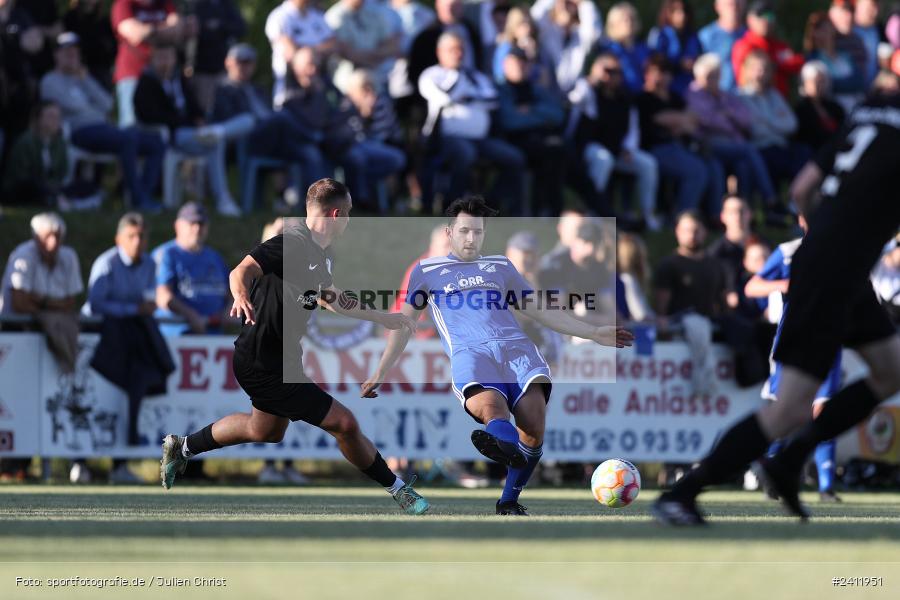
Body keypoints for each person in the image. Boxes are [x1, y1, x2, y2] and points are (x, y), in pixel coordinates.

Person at [652, 86, 900, 525]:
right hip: (836, 270)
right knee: (789, 408)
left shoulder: (870, 111)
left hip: (831, 260)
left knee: (892, 370)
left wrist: (832, 232)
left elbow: (802, 189)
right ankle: (683, 493)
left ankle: (789, 462)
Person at [160, 178, 431, 516]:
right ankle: (399, 490)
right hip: (262, 360)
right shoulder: (292, 242)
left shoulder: (321, 255)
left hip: (281, 359)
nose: (349, 220)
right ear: (336, 215)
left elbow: (332, 298)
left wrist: (382, 318)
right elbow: (241, 271)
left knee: (264, 429)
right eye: (348, 213)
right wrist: (241, 295)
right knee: (345, 424)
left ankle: (182, 447)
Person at [362, 195, 633, 515]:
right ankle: (504, 445)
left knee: (534, 427)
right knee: (494, 411)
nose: (471, 238)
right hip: (471, 354)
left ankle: (508, 499)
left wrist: (593, 332)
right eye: (464, 231)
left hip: (518, 351)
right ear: (449, 232)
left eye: (477, 231)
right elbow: (403, 325)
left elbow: (540, 310)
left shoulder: (501, 266)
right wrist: (381, 371)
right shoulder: (426, 270)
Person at [744, 213, 843, 503]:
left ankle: (826, 486)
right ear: (802, 220)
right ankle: (770, 473)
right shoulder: (788, 252)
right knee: (786, 411)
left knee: (824, 412)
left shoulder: (844, 249)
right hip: (792, 341)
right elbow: (752, 287)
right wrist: (785, 284)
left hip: (829, 340)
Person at [84, 212, 174, 483]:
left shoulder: (149, 264)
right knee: (93, 400)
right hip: (99, 338)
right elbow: (96, 304)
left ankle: (120, 464)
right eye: (131, 236)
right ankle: (80, 463)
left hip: (130, 338)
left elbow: (146, 299)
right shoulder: (107, 264)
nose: (137, 241)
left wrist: (144, 308)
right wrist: (132, 309)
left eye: (141, 236)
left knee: (128, 393)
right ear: (118, 239)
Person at [0, 211, 83, 482]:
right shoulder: (22, 256)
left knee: (44, 401)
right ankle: (11, 465)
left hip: (47, 335)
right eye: (48, 236)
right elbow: (19, 302)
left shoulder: (68, 257)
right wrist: (50, 304)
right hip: (15, 335)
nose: (53, 242)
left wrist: (40, 303)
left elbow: (70, 302)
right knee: (16, 401)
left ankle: (25, 466)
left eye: (57, 236)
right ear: (36, 238)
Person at [40, 31, 165, 211]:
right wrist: (90, 105)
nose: (71, 56)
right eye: (66, 52)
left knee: (156, 143)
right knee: (129, 138)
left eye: (75, 52)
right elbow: (74, 106)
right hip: (79, 131)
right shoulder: (50, 81)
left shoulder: (83, 77)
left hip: (104, 128)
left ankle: (144, 195)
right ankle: (138, 199)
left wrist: (84, 80)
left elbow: (107, 104)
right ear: (56, 55)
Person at [281, 48, 405, 209]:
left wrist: (361, 111)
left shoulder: (326, 84)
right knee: (352, 159)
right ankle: (347, 201)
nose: (313, 69)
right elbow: (317, 122)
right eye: (308, 65)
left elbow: (344, 111)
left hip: (345, 141)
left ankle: (362, 193)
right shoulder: (291, 92)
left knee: (396, 158)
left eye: (316, 64)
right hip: (318, 145)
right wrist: (321, 97)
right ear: (295, 67)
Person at [417, 32, 526, 214]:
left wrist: (466, 96)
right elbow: (444, 97)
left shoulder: (476, 76)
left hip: (480, 139)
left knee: (514, 158)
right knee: (465, 154)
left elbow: (492, 99)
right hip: (446, 138)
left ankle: (491, 203)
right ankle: (452, 207)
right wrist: (460, 84)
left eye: (460, 49)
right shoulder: (432, 75)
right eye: (452, 49)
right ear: (439, 52)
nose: (458, 54)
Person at [134, 41, 240, 216]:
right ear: (152, 59)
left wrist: (199, 118)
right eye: (160, 57)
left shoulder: (179, 79)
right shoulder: (146, 82)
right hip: (170, 135)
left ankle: (222, 196)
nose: (165, 62)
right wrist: (184, 122)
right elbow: (150, 115)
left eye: (168, 57)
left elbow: (193, 106)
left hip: (191, 132)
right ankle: (222, 198)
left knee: (222, 138)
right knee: (215, 142)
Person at [209, 43, 328, 192]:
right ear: (229, 62)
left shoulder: (258, 90)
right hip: (247, 139)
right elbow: (226, 120)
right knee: (283, 116)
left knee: (310, 152)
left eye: (249, 62)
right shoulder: (224, 89)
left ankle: (321, 201)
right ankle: (312, 136)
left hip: (272, 139)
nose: (245, 66)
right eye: (241, 61)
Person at [570, 52, 660, 229]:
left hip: (618, 150)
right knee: (604, 160)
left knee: (648, 164)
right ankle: (592, 212)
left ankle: (648, 215)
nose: (610, 76)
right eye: (606, 71)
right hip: (589, 147)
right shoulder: (588, 90)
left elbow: (633, 129)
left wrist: (628, 148)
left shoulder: (625, 97)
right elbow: (574, 102)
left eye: (615, 72)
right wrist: (591, 80)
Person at [687, 53, 781, 220]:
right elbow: (708, 120)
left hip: (730, 145)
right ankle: (770, 199)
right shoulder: (693, 94)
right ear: (698, 76)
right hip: (707, 144)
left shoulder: (724, 95)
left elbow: (746, 119)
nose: (713, 80)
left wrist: (727, 116)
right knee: (749, 150)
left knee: (743, 165)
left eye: (716, 76)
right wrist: (728, 119)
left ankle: (744, 214)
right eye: (709, 76)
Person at [636, 54, 714, 216]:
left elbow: (693, 120)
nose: (661, 77)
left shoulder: (675, 97)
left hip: (679, 146)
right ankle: (683, 216)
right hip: (654, 149)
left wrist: (676, 122)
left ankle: (711, 214)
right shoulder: (642, 99)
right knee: (696, 171)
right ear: (646, 74)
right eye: (656, 72)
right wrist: (679, 121)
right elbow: (661, 119)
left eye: (665, 72)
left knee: (713, 166)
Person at [496, 49, 566, 216]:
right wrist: (541, 117)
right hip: (512, 140)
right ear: (505, 65)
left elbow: (558, 115)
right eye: (515, 63)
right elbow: (510, 121)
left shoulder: (537, 89)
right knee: (548, 152)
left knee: (560, 150)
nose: (520, 67)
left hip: (541, 139)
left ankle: (551, 210)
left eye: (523, 63)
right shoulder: (500, 90)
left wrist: (531, 109)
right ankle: (538, 210)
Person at [110, 0, 195, 127]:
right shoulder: (124, 4)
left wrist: (150, 31)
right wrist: (165, 29)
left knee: (165, 123)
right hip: (133, 75)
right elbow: (134, 33)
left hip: (164, 76)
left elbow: (178, 30)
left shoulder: (163, 3)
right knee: (132, 125)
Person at [152, 202, 230, 337]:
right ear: (178, 226)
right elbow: (162, 297)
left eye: (201, 223)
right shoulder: (166, 255)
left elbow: (231, 293)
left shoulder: (215, 257)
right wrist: (190, 315)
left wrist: (228, 311)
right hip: (177, 337)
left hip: (213, 337)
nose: (197, 228)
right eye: (192, 223)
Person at [737, 50, 803, 187]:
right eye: (757, 69)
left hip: (782, 146)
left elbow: (792, 125)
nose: (761, 73)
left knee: (804, 153)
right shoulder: (741, 98)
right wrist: (777, 122)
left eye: (765, 69)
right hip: (760, 149)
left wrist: (767, 121)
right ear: (747, 70)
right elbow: (755, 131)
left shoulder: (774, 95)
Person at [264, 0, 334, 105]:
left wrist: (307, 51)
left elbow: (334, 44)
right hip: (291, 86)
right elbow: (290, 52)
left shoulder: (317, 16)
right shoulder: (279, 16)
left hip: (321, 82)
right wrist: (315, 52)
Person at [325, 0, 402, 94]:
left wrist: (373, 56)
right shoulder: (335, 16)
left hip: (381, 72)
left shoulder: (375, 11)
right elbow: (348, 53)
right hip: (350, 77)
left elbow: (392, 45)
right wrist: (375, 56)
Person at [731, 1, 804, 97]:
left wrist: (777, 65)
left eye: (770, 16)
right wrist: (777, 65)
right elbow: (744, 81)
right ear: (750, 19)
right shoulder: (744, 46)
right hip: (754, 100)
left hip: (779, 101)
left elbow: (798, 63)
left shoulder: (779, 45)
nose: (766, 20)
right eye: (760, 15)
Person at [186, 0, 247, 114]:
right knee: (205, 111)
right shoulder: (197, 5)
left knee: (227, 110)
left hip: (224, 70)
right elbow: (193, 32)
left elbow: (241, 28)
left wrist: (219, 26)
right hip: (202, 72)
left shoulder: (226, 4)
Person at [2, 101, 68, 206]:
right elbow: (21, 175)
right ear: (39, 119)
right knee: (34, 186)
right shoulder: (26, 141)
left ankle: (55, 198)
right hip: (23, 189)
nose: (55, 121)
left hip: (50, 187)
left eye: (58, 117)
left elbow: (61, 172)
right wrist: (46, 186)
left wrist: (53, 185)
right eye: (51, 116)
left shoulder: (60, 144)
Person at [531, 0, 602, 95]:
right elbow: (535, 17)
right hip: (546, 94)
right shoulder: (547, 31)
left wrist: (584, 3)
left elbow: (594, 33)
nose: (565, 6)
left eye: (569, 3)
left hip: (574, 97)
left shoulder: (580, 34)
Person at [804, 12, 866, 112]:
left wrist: (831, 83)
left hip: (856, 109)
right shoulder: (813, 59)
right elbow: (818, 87)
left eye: (827, 27)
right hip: (832, 111)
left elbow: (859, 81)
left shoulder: (846, 55)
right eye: (820, 29)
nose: (825, 32)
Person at [647, 0, 702, 96]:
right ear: (668, 13)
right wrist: (679, 64)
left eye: (684, 11)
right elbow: (656, 61)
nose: (682, 15)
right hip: (667, 87)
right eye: (677, 11)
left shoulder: (693, 35)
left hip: (690, 86)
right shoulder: (660, 34)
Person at [793, 61, 846, 156]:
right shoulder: (801, 110)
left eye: (821, 81)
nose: (818, 85)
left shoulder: (835, 107)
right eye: (814, 81)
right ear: (805, 83)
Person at [63, 0, 116, 90]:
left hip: (102, 71)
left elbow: (112, 47)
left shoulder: (104, 20)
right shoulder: (70, 18)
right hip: (77, 70)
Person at [600, 2, 650, 94]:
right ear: (613, 24)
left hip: (644, 97)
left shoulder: (644, 49)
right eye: (624, 20)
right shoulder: (608, 50)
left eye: (631, 19)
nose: (629, 23)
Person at [697, 0, 747, 92]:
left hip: (746, 96)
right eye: (729, 4)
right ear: (717, 6)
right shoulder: (706, 37)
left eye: (737, 3)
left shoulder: (751, 36)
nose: (734, 7)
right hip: (717, 96)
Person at [854, 0, 882, 87]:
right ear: (858, 6)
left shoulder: (878, 30)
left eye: (876, 7)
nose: (875, 12)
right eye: (870, 8)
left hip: (875, 90)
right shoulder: (847, 32)